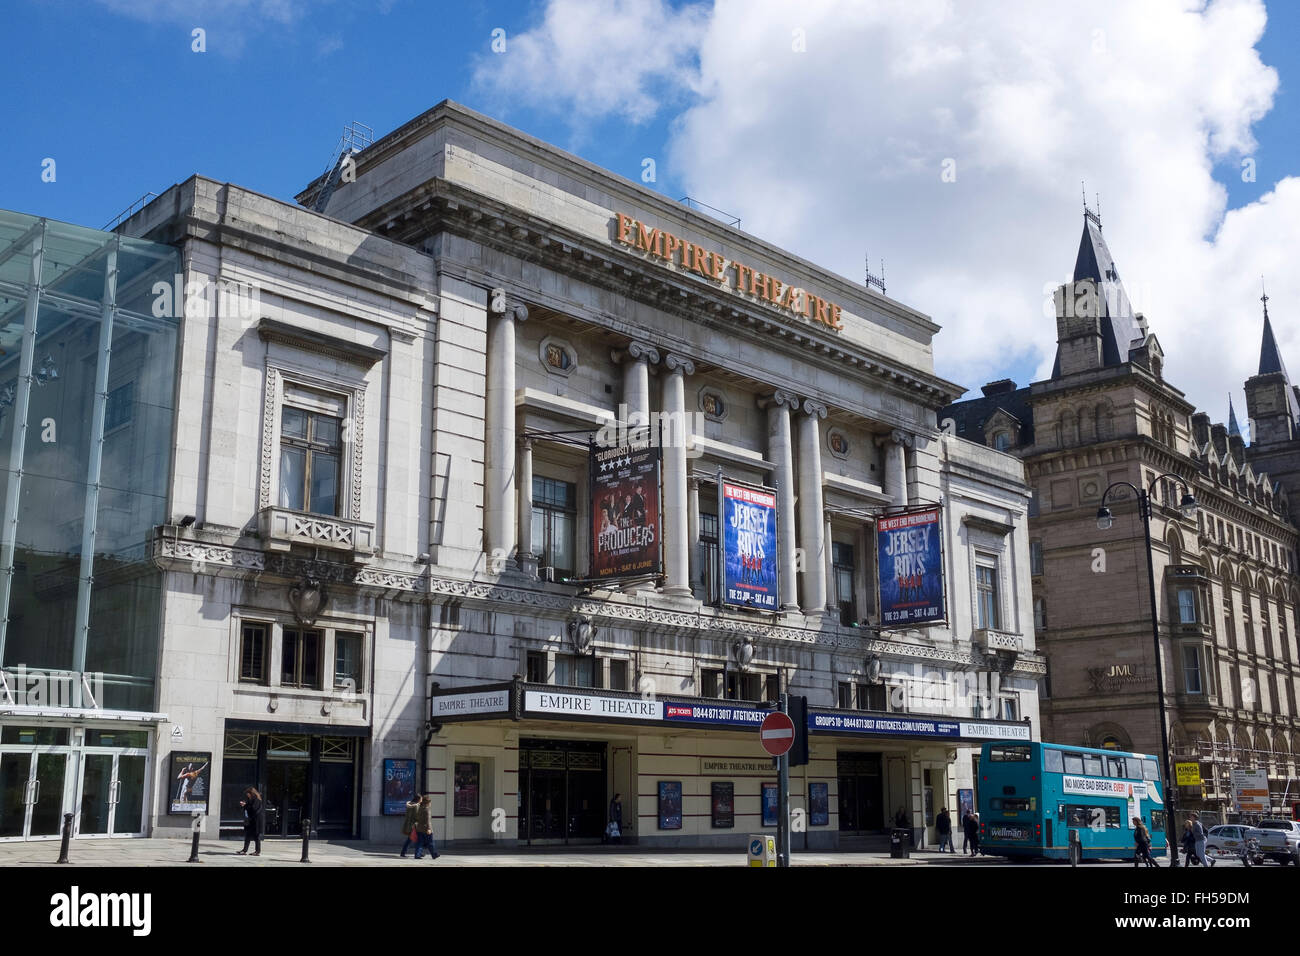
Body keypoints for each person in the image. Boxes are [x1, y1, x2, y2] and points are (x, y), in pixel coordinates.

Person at [236, 787, 264, 856]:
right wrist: (244, 805)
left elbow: (253, 809)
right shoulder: (250, 799)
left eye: (248, 794)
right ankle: (244, 850)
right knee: (248, 835)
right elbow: (249, 808)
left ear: (251, 793)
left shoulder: (256, 800)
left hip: (256, 821)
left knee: (256, 836)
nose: (247, 795)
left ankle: (257, 851)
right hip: (251, 820)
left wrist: (245, 805)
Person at [413, 794, 439, 861]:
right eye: (430, 802)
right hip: (425, 829)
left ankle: (417, 854)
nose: (430, 804)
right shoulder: (427, 810)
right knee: (430, 842)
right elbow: (428, 820)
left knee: (419, 842)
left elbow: (417, 818)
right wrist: (429, 828)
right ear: (427, 803)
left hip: (419, 828)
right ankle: (434, 854)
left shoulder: (420, 808)